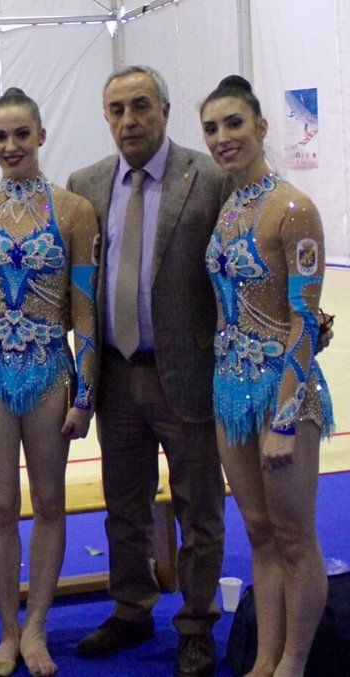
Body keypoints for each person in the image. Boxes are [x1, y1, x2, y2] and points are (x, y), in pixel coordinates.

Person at [66, 65, 229, 677]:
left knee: (199, 506)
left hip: (185, 373)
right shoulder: (85, 184)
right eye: (117, 110)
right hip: (114, 377)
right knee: (124, 506)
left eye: (140, 107)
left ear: (164, 108)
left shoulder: (208, 179)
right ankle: (132, 609)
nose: (129, 120)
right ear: (106, 117)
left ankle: (197, 622)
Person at [0, 88, 99, 677]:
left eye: (21, 134)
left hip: (47, 368)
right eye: (0, 136)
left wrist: (86, 391)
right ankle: (7, 630)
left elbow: (85, 310)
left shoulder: (73, 210)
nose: (11, 146)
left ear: (41, 136)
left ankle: (37, 625)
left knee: (51, 500)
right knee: (2, 505)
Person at [200, 75, 334, 677]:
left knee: (294, 536)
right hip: (230, 391)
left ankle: (294, 663)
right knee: (256, 531)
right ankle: (262, 659)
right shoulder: (228, 208)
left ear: (261, 126)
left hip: (285, 393)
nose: (224, 137)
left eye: (234, 123)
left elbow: (306, 320)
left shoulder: (293, 208)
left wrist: (283, 419)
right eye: (212, 128)